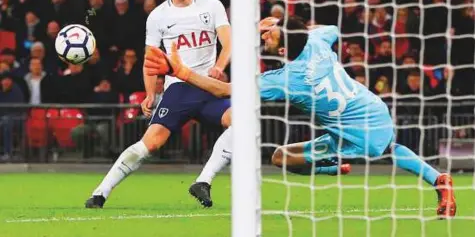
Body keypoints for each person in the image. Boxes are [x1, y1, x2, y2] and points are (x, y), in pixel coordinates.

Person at [143, 16, 456, 218]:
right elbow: (330, 31)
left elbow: (224, 90)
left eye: (271, 37)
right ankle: (437, 179)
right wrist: (291, 31)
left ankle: (334, 166)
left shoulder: (284, 79)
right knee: (388, 148)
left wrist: (182, 72)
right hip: (370, 107)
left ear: (282, 51)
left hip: (354, 132)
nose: (266, 38)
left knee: (282, 160)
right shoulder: (317, 42)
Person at [85, 0, 232, 209]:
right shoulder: (157, 16)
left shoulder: (212, 6)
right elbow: (149, 59)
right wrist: (150, 93)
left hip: (208, 86)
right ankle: (100, 192)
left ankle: (203, 181)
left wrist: (219, 67)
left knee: (243, 124)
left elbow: (229, 42)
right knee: (150, 143)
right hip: (179, 90)